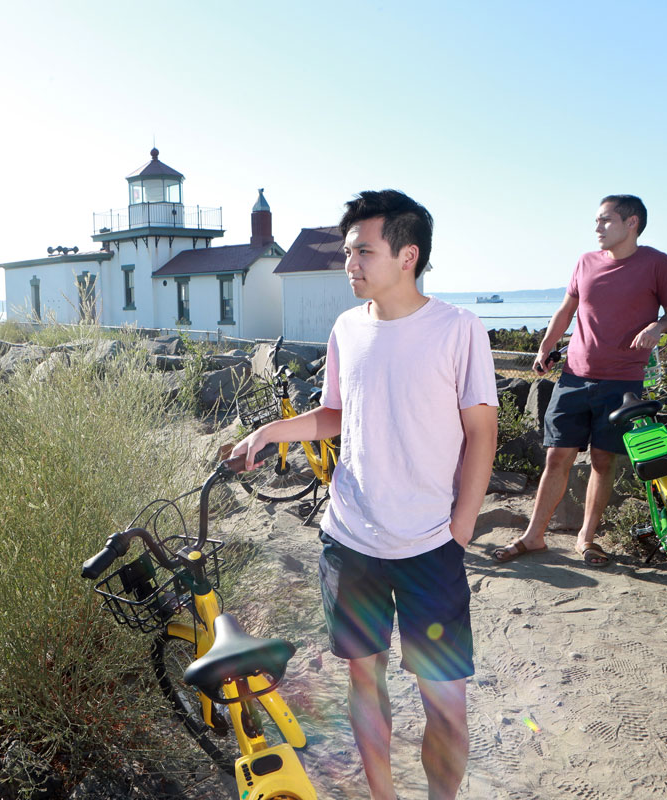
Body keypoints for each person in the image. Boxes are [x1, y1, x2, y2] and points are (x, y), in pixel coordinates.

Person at [230, 190, 497, 800]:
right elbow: (333, 416)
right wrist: (272, 431)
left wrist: (462, 527)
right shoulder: (347, 328)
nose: (349, 263)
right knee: (365, 683)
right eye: (347, 252)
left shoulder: (458, 329)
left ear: (408, 255)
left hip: (431, 546)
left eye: (362, 252)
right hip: (350, 542)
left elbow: (483, 433)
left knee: (447, 706)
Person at [491, 195, 667, 567]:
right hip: (574, 377)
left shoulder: (658, 264)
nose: (597, 228)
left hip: (623, 382)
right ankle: (534, 537)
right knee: (557, 456)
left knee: (602, 460)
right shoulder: (585, 262)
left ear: (632, 223)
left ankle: (586, 538)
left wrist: (657, 326)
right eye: (596, 221)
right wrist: (545, 347)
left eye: (605, 220)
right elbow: (567, 309)